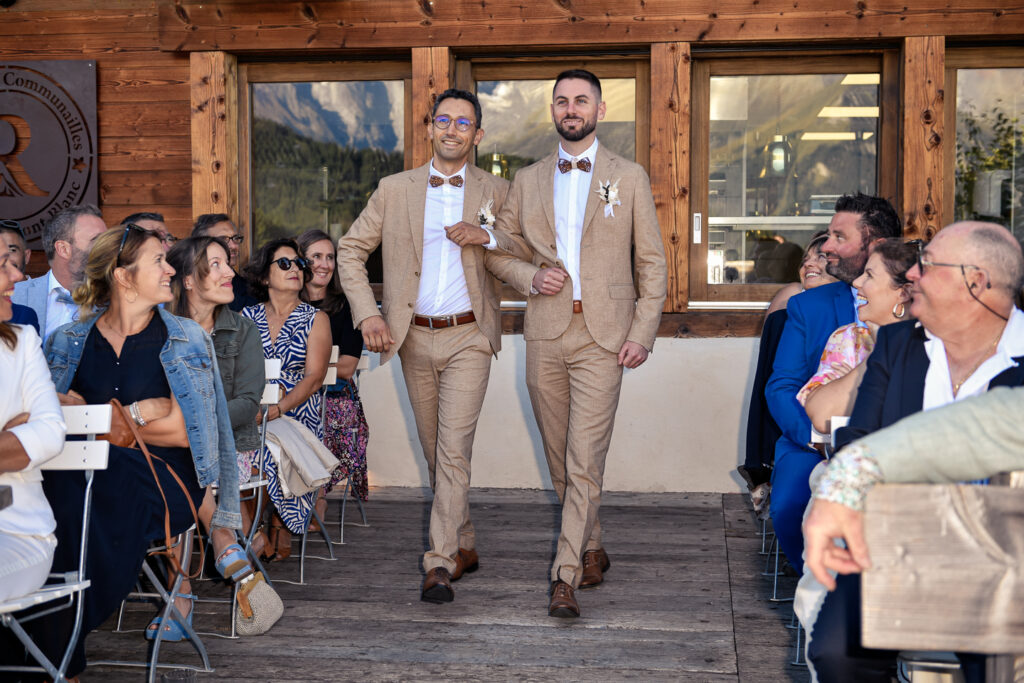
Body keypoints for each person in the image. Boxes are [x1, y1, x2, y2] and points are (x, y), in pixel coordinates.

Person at [23, 225, 270, 677]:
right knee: (61, 503)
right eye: (158, 260)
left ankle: (52, 652)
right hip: (82, 480)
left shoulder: (185, 339)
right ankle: (42, 645)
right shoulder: (68, 341)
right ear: (123, 276)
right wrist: (134, 416)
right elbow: (51, 425)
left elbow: (182, 434)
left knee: (102, 484)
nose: (170, 269)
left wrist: (107, 420)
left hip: (166, 481)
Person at [484, 69, 667, 618]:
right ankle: (591, 544)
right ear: (553, 111)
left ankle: (564, 576)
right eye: (562, 100)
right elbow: (498, 250)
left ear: (600, 110)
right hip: (545, 331)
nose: (571, 108)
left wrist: (642, 332)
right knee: (561, 455)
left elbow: (651, 262)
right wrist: (529, 277)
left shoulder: (628, 176)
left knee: (584, 457)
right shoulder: (527, 179)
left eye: (581, 100)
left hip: (604, 338)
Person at [807, 220, 1024, 682]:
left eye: (927, 266)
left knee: (995, 660)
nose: (911, 275)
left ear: (976, 282)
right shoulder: (897, 343)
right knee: (836, 651)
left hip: (1008, 557)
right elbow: (857, 438)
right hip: (901, 540)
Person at [337, 88, 511, 604]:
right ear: (430, 127)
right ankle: (465, 543)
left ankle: (439, 562)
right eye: (444, 120)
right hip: (412, 337)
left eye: (464, 123)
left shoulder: (498, 191)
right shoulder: (395, 189)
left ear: (477, 135)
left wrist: (487, 237)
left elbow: (525, 245)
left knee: (453, 449)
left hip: (469, 336)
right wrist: (369, 312)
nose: (452, 129)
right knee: (437, 449)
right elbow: (351, 249)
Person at [764, 193, 901, 573]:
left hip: (894, 436)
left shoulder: (922, 303)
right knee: (789, 505)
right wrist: (814, 438)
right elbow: (782, 386)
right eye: (828, 236)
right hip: (813, 437)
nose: (826, 247)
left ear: (875, 243)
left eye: (839, 237)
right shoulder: (810, 305)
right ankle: (816, 580)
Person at [166, 235, 267, 554]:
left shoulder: (243, 329)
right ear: (188, 280)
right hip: (169, 441)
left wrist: (196, 424)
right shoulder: (161, 329)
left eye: (227, 263)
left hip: (229, 444)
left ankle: (185, 572)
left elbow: (248, 403)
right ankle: (229, 547)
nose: (230, 273)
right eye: (215, 264)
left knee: (183, 468)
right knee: (171, 464)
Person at [242, 238, 331, 559]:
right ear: (264, 277)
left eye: (298, 263)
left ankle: (267, 524)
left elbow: (314, 377)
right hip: (252, 407)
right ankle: (255, 529)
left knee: (264, 451)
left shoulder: (315, 319)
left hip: (297, 411)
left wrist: (279, 408)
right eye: (284, 263)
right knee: (239, 450)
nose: (295, 268)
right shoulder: (246, 317)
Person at [739, 232, 836, 511]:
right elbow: (771, 367)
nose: (808, 264)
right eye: (805, 259)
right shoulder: (792, 295)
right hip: (786, 400)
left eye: (820, 257)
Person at [0, 248, 66, 603]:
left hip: (16, 532)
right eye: (2, 266)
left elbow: (50, 433)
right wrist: (8, 440)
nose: (17, 276)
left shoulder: (22, 342)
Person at [799, 239, 916, 434]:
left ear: (904, 293)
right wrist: (878, 354)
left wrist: (851, 382)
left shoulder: (931, 339)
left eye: (869, 275)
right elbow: (822, 418)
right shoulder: (849, 339)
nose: (856, 282)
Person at [297, 229, 369, 513]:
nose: (325, 264)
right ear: (300, 262)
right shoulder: (286, 305)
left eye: (330, 257)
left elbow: (348, 367)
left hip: (334, 397)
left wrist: (305, 371)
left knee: (318, 418)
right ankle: (286, 502)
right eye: (316, 257)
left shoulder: (347, 307)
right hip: (290, 393)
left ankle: (315, 498)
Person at [11, 205, 107, 343]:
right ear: (63, 249)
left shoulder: (115, 298)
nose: (108, 248)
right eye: (97, 240)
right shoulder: (14, 296)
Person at [192, 213, 258, 311]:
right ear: (201, 245)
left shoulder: (251, 292)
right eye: (223, 239)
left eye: (235, 238)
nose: (234, 246)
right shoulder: (181, 288)